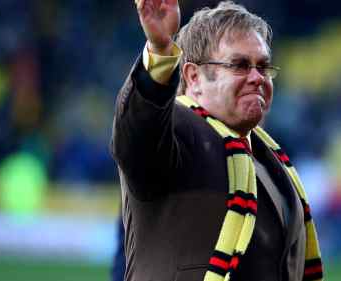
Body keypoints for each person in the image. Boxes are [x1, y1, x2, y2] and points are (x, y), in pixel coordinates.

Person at [110, 1, 324, 281]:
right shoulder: (177, 133)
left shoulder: (274, 161)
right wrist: (160, 51)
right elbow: (136, 132)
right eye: (240, 65)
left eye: (263, 66)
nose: (257, 77)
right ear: (194, 77)